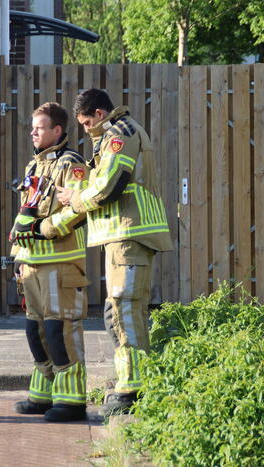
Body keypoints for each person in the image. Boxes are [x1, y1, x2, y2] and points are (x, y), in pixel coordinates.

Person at [56, 89, 173, 416]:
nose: (86, 130)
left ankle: (134, 389)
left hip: (130, 232)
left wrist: (75, 200)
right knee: (123, 309)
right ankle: (131, 381)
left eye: (86, 122)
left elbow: (109, 185)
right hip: (124, 234)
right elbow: (106, 181)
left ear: (99, 113)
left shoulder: (120, 134)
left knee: (122, 309)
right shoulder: (119, 132)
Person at [9, 102, 90, 422]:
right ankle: (43, 396)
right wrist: (18, 257)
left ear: (57, 130)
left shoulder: (73, 164)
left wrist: (47, 229)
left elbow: (81, 207)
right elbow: (24, 216)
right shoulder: (34, 165)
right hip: (31, 264)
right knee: (36, 332)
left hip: (62, 263)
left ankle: (71, 401)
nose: (33, 132)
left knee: (60, 332)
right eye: (33, 127)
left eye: (39, 127)